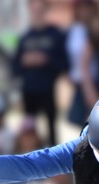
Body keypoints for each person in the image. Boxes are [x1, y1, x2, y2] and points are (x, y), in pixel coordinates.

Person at [12, 0, 68, 147]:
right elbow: (15, 67)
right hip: (28, 90)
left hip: (47, 89)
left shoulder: (55, 35)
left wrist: (46, 60)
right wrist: (26, 62)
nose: (37, 13)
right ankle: (31, 162)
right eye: (34, 10)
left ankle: (56, 164)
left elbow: (64, 64)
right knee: (29, 129)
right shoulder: (25, 37)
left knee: (51, 129)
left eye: (40, 9)